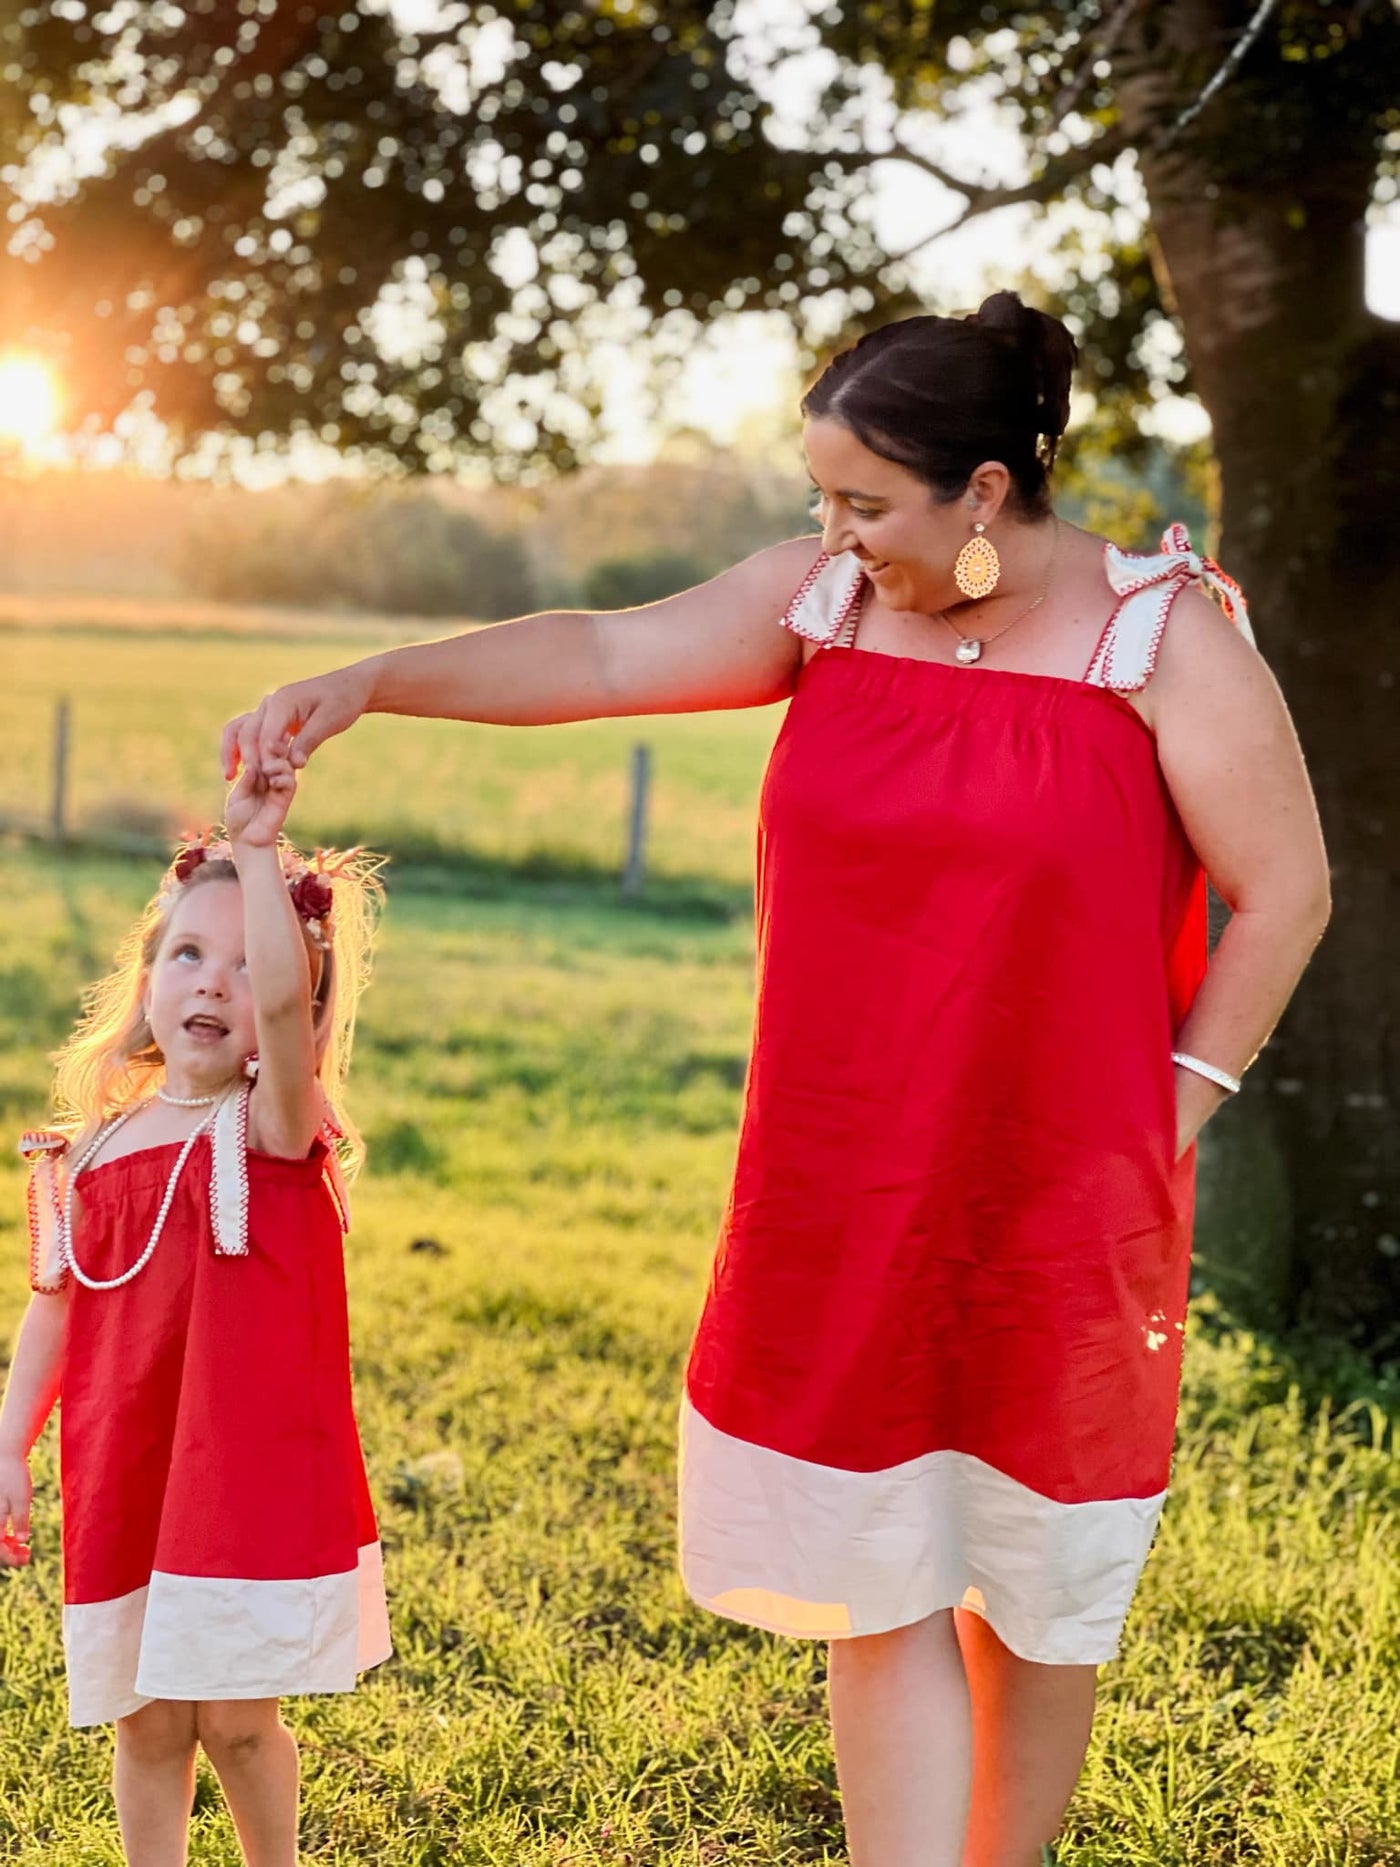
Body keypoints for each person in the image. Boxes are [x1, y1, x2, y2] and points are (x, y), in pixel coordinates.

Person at [217, 291, 1331, 1867]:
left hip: (1067, 1187)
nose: (834, 529)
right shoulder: (826, 606)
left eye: (867, 502)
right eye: (821, 495)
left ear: (987, 495)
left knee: (1031, 1579)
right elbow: (604, 651)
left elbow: (1288, 891)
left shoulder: (1163, 637)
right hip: (843, 1176)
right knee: (872, 1565)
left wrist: (1173, 1111)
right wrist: (372, 679)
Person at [0, 754, 390, 1867]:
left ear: (297, 1016)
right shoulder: (96, 1149)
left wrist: (258, 849)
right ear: (145, 982)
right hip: (128, 1468)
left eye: (245, 964)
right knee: (146, 1717)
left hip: (239, 1477)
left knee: (234, 1718)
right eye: (186, 954)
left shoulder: (270, 1132)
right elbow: (56, 1309)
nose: (214, 984)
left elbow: (275, 990)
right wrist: (11, 1439)